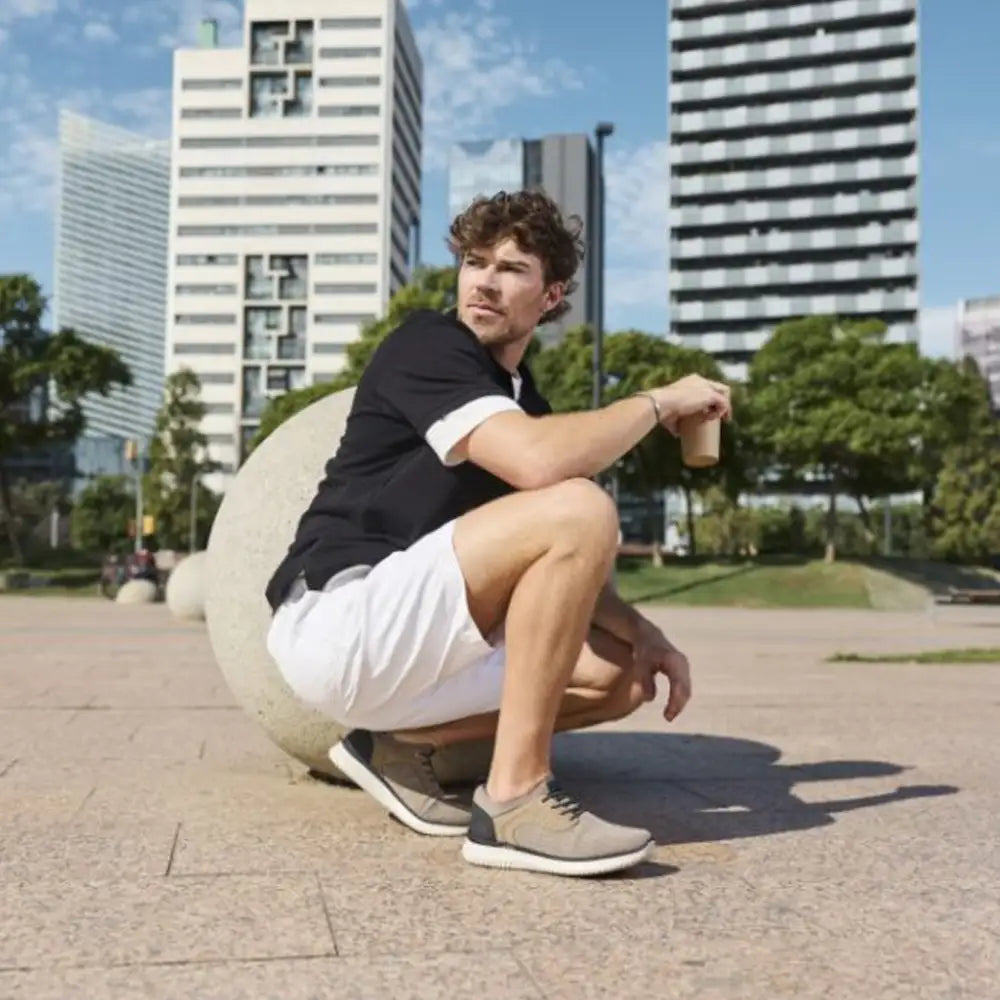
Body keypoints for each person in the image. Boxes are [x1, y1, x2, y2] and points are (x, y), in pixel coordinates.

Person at [265, 190, 732, 877]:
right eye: (475, 262)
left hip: (413, 643)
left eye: (512, 268)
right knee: (579, 502)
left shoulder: (523, 403)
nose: (484, 280)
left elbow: (553, 560)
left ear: (551, 296)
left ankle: (395, 748)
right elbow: (541, 469)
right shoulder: (428, 344)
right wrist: (659, 402)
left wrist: (646, 635)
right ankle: (514, 803)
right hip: (343, 617)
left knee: (623, 679)